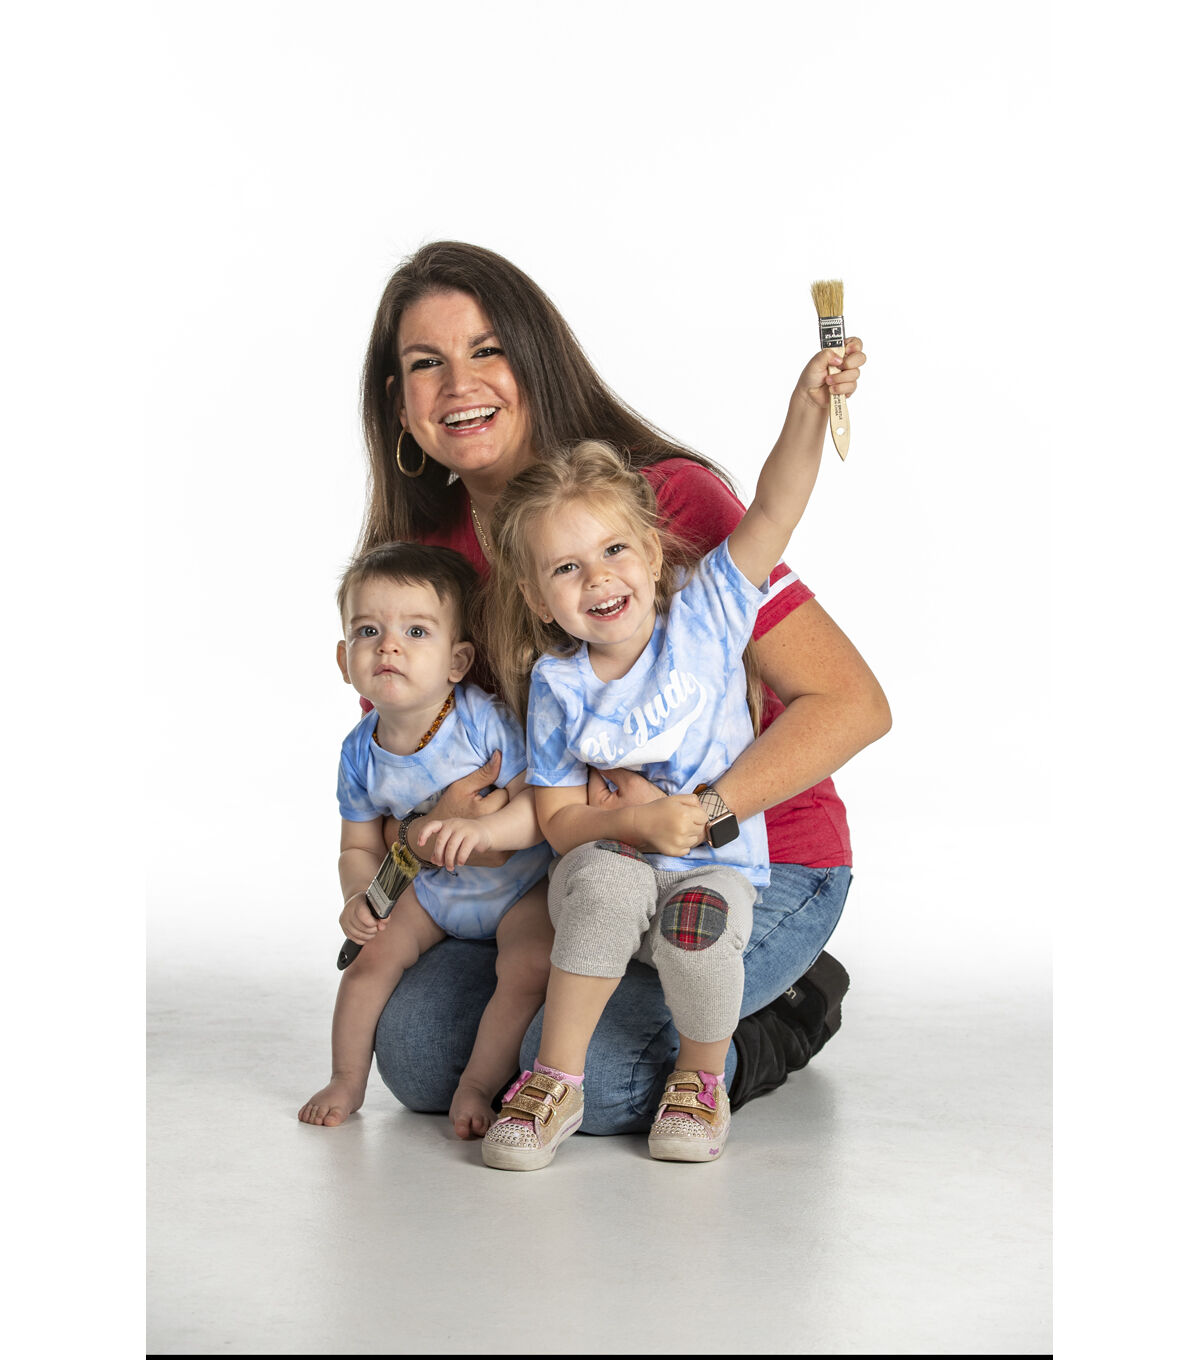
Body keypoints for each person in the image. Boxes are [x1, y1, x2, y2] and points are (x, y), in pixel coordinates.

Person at [356, 241, 891, 1135]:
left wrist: (694, 812)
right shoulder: (421, 566)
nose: (459, 384)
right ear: (398, 402)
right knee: (417, 1056)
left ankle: (784, 1013)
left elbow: (853, 705)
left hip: (751, 857)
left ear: (536, 358)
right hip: (577, 869)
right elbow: (401, 769)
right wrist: (426, 828)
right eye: (425, 363)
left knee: (598, 1083)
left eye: (487, 350)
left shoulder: (656, 505)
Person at [474, 408, 833, 1168]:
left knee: (698, 925)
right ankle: (556, 1082)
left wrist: (808, 408)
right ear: (537, 598)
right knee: (603, 883)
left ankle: (701, 1080)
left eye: (613, 550)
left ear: (652, 551)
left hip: (712, 868)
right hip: (614, 867)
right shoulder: (558, 685)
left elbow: (776, 507)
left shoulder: (705, 619)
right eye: (566, 568)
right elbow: (559, 820)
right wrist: (636, 825)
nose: (598, 577)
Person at [298, 541, 554, 1138]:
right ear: (343, 659)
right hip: (435, 892)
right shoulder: (359, 751)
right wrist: (361, 896)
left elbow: (539, 801)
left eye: (415, 632)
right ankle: (346, 1079)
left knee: (528, 965)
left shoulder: (480, 720)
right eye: (368, 631)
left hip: (520, 886)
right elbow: (360, 846)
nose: (388, 646)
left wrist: (483, 830)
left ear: (457, 660)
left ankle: (478, 1084)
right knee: (369, 959)